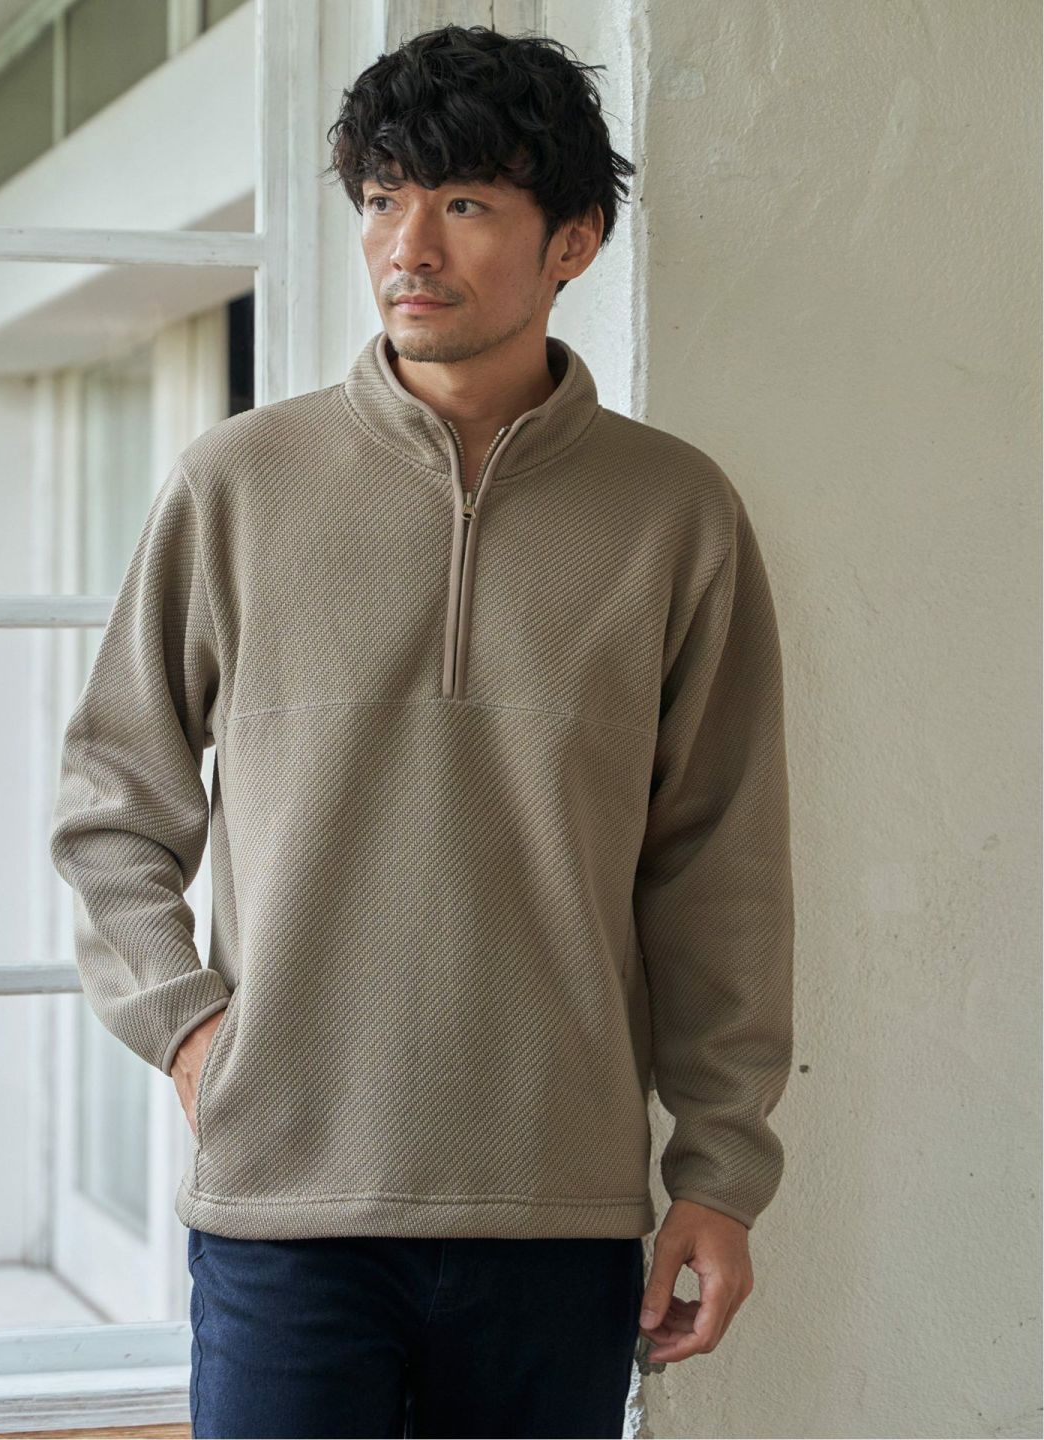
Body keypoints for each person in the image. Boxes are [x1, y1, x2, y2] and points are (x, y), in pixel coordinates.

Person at [49, 22, 795, 1440]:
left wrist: (720, 1173)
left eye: (463, 202)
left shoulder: (674, 514)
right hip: (286, 1206)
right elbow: (110, 806)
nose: (409, 247)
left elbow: (721, 867)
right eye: (384, 199)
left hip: (558, 1212)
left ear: (572, 241)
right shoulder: (236, 485)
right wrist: (191, 1028)